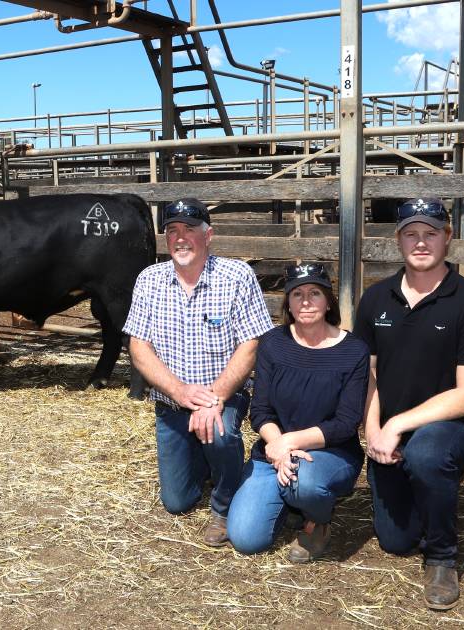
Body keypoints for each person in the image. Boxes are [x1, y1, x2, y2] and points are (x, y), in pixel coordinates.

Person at [353, 198, 464, 610]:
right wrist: (374, 429)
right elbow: (368, 375)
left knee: (428, 454)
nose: (421, 242)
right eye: (411, 233)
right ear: (398, 240)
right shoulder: (376, 298)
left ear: (447, 238)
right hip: (391, 424)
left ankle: (442, 556)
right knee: (395, 541)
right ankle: (423, 492)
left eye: (430, 233)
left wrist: (398, 424)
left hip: (452, 422)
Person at [123, 197, 274, 547]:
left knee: (220, 435)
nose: (180, 238)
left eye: (189, 230)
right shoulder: (149, 279)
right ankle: (205, 461)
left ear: (208, 236)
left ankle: (225, 501)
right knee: (177, 502)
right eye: (172, 230)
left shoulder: (236, 276)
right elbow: (138, 347)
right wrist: (179, 392)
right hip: (172, 404)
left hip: (223, 398)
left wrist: (213, 398)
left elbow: (250, 344)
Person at [226, 263, 368, 562]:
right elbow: (261, 410)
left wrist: (290, 442)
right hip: (273, 451)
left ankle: (317, 520)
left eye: (314, 293)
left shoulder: (353, 350)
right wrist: (277, 447)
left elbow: (346, 423)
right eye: (297, 294)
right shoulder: (273, 344)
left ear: (328, 300)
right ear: (287, 303)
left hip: (330, 453)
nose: (306, 301)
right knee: (245, 539)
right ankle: (289, 504)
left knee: (305, 485)